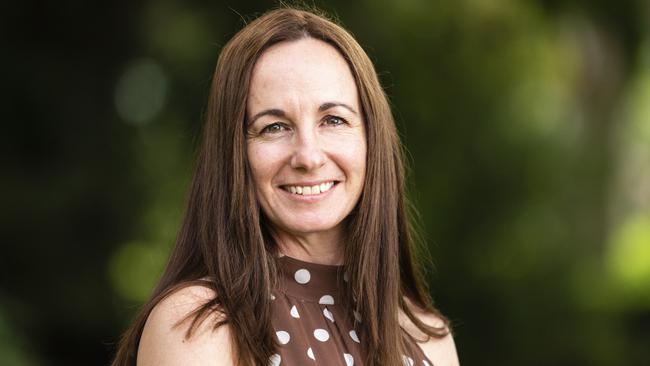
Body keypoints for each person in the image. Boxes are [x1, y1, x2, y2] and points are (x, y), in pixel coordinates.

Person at [111, 6, 459, 366]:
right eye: (274, 127)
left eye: (334, 120)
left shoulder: (427, 336)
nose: (308, 156)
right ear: (235, 154)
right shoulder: (197, 326)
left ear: (372, 140)